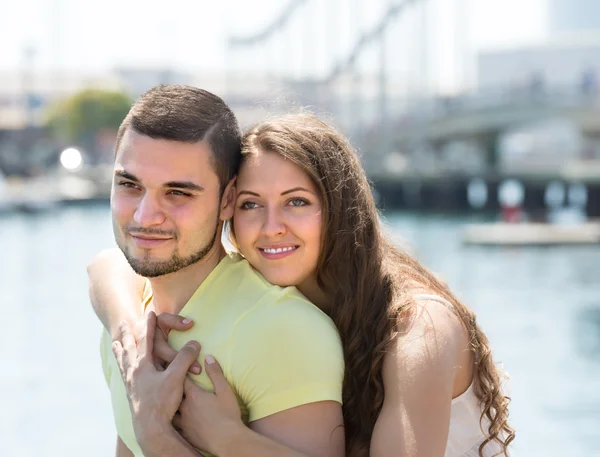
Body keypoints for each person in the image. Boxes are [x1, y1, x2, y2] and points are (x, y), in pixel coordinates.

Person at [91, 113, 515, 457]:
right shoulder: (266, 302)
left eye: (297, 202)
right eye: (251, 204)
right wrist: (130, 338)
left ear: (341, 211)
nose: (271, 228)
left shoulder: (418, 327)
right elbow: (108, 267)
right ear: (227, 211)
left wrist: (227, 439)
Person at [93, 84, 346, 457]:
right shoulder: (128, 325)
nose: (145, 216)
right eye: (129, 185)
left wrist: (157, 432)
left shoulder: (283, 331)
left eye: (178, 193)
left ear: (228, 200)